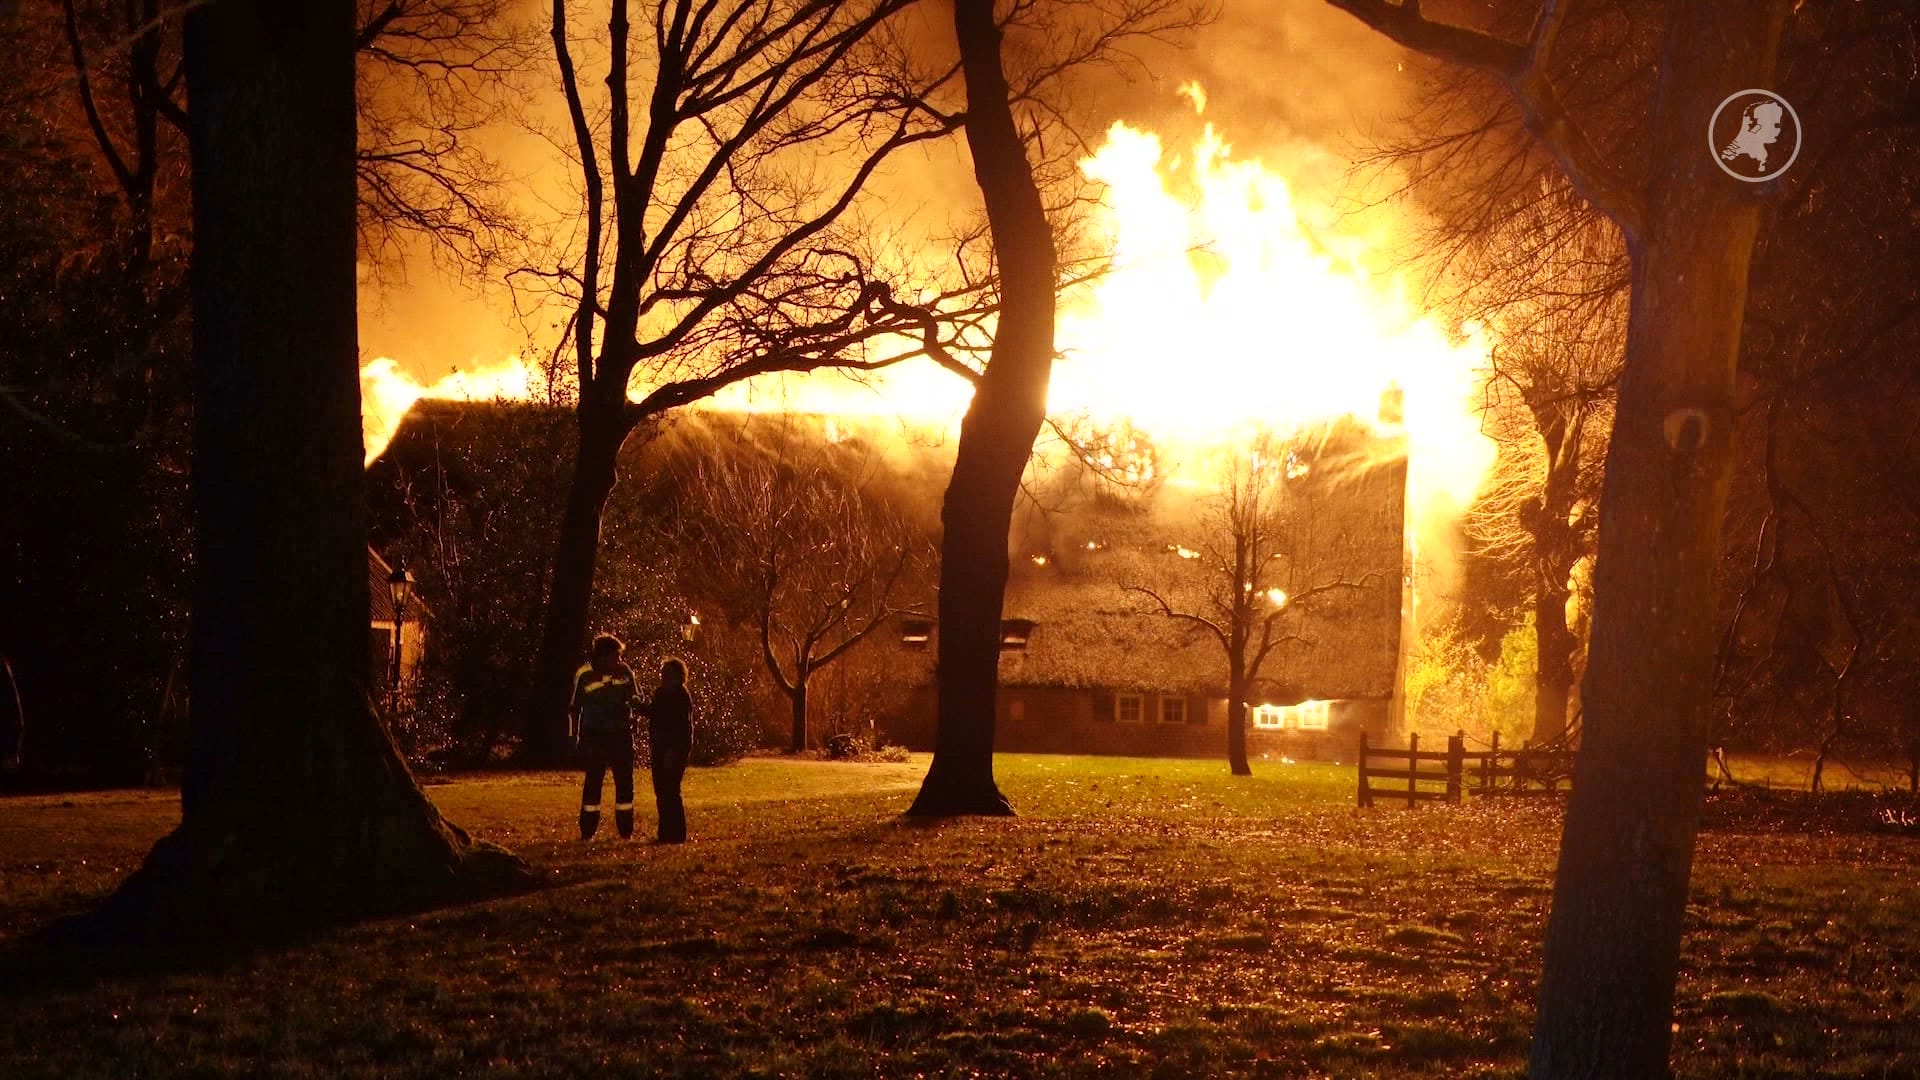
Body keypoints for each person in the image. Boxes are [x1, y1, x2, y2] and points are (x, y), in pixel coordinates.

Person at [570, 634, 638, 839]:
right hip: (595, 735)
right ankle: (588, 829)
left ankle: (626, 829)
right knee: (593, 781)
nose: (618, 660)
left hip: (621, 733)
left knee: (625, 781)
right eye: (614, 656)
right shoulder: (584, 674)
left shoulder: (625, 671)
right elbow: (575, 707)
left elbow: (636, 695)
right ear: (602, 656)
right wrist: (574, 736)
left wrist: (634, 704)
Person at [638, 658, 695, 843]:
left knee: (670, 790)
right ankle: (666, 833)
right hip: (661, 746)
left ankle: (675, 834)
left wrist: (674, 750)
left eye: (666, 673)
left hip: (672, 748)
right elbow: (655, 713)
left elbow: (682, 727)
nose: (663, 676)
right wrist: (639, 707)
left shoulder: (680, 696)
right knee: (662, 791)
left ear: (678, 676)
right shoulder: (662, 693)